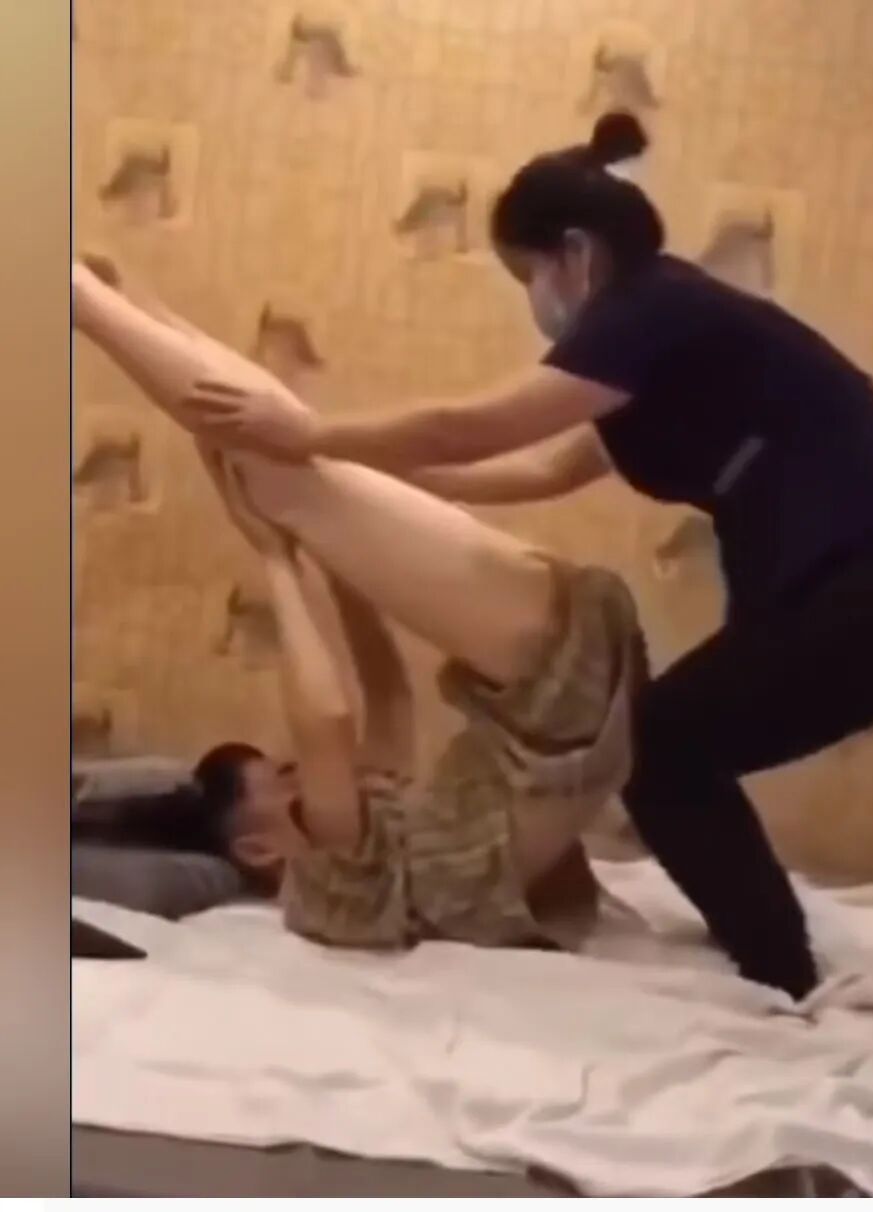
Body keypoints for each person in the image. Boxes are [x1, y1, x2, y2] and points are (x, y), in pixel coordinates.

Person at [181, 113, 873, 1000]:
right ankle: (778, 961)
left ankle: (783, 975)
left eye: (526, 275)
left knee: (665, 750)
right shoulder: (663, 348)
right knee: (674, 748)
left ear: (575, 253)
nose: (534, 300)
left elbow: (469, 426)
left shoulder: (651, 308)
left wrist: (304, 435)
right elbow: (537, 470)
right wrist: (374, 492)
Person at [73, 261, 642, 952]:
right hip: (560, 707)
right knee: (283, 471)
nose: (300, 767)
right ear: (258, 849)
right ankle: (85, 299)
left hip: (559, 699)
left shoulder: (377, 843)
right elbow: (329, 722)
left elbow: (388, 697)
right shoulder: (334, 888)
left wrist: (329, 556)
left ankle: (139, 312)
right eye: (282, 779)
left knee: (294, 463)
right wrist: (276, 559)